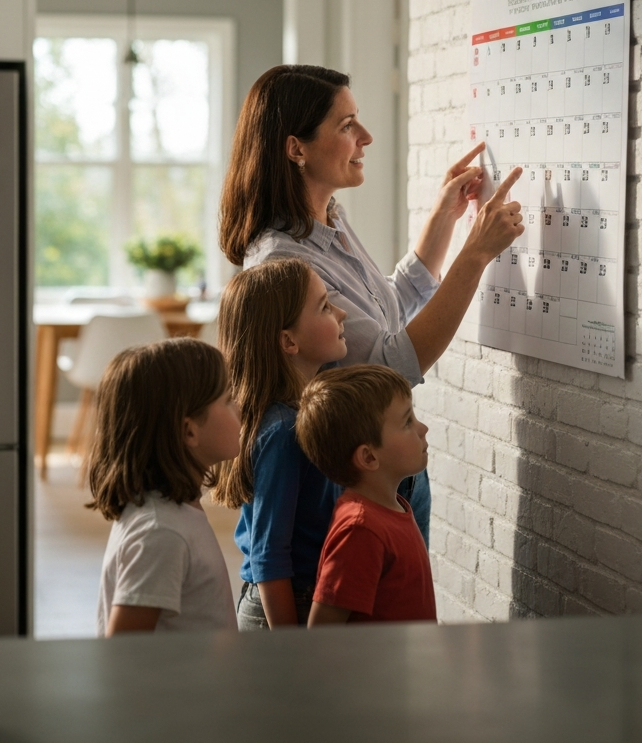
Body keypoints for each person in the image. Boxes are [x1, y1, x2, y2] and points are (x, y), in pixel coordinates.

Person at [219, 64, 523, 545]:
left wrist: (445, 217)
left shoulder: (330, 222)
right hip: (351, 482)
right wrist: (476, 253)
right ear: (296, 148)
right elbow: (390, 365)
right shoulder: (282, 260)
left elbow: (389, 309)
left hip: (389, 468)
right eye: (346, 125)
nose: (366, 136)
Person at [212, 258, 348, 630]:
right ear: (289, 341)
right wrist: (291, 648)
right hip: (286, 605)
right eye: (324, 306)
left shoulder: (303, 406)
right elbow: (269, 555)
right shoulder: (284, 431)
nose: (342, 312)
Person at [88, 337, 241, 636]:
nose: (240, 405)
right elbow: (124, 650)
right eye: (228, 399)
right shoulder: (160, 533)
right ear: (189, 431)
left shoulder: (176, 514)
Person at [295, 364, 436, 625]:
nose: (422, 428)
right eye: (407, 422)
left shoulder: (395, 506)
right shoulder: (361, 530)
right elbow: (322, 631)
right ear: (369, 456)